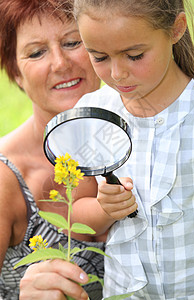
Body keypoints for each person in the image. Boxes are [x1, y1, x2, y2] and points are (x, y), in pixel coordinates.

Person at [71, 0, 194, 298]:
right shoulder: (91, 115)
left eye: (134, 55)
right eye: (99, 56)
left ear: (176, 29)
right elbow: (74, 218)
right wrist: (104, 210)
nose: (117, 73)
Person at [0, 0, 106, 299]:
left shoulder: (151, 138)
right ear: (16, 73)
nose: (60, 63)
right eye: (36, 52)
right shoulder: (5, 179)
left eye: (73, 42)